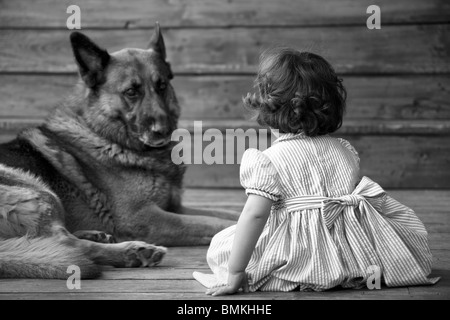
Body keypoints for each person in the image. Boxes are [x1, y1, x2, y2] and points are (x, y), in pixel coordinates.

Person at [193, 47, 439, 295]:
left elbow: (255, 216)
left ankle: (295, 272)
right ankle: (343, 268)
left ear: (269, 110)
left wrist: (236, 271)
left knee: (222, 246)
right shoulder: (343, 150)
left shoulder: (269, 160)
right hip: (348, 250)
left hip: (299, 251)